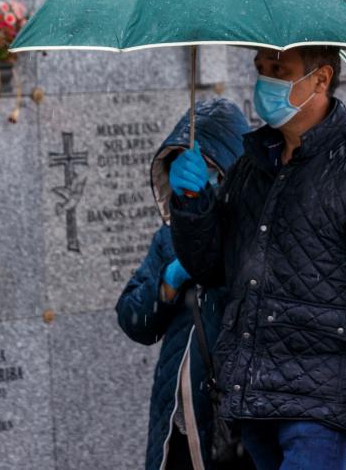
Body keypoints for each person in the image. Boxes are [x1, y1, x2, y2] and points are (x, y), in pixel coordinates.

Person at [166, 46, 346, 470]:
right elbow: (213, 267)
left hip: (321, 393)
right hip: (254, 388)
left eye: (278, 70)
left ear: (321, 79)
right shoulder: (251, 167)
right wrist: (193, 205)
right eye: (260, 70)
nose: (264, 82)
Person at [116, 98, 252, 470]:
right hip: (175, 421)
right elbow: (134, 320)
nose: (194, 176)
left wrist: (211, 257)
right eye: (180, 161)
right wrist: (170, 280)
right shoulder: (168, 238)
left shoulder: (251, 236)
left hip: (229, 421)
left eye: (208, 167)